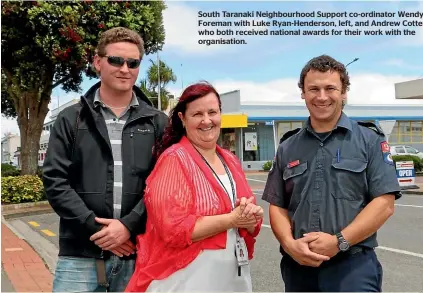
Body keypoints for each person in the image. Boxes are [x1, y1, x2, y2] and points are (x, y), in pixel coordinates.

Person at [42, 27, 168, 292]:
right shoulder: (71, 119)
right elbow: (55, 181)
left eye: (133, 63)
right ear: (98, 62)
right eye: (116, 60)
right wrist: (98, 230)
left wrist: (128, 227)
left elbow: (166, 186)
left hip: (138, 253)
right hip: (79, 256)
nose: (125, 68)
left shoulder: (158, 123)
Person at [262, 55, 402, 292]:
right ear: (303, 93)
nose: (322, 96)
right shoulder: (287, 146)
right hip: (299, 267)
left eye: (330, 88)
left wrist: (339, 241)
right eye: (313, 89)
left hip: (352, 267)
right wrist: (288, 244)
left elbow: (384, 203)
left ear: (344, 92)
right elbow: (277, 205)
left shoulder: (369, 141)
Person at [124, 82, 264, 292]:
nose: (207, 120)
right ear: (182, 118)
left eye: (212, 112)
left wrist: (252, 217)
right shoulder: (174, 159)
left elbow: (247, 221)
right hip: (186, 279)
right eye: (197, 114)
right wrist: (232, 219)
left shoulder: (231, 160)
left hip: (231, 278)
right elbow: (173, 230)